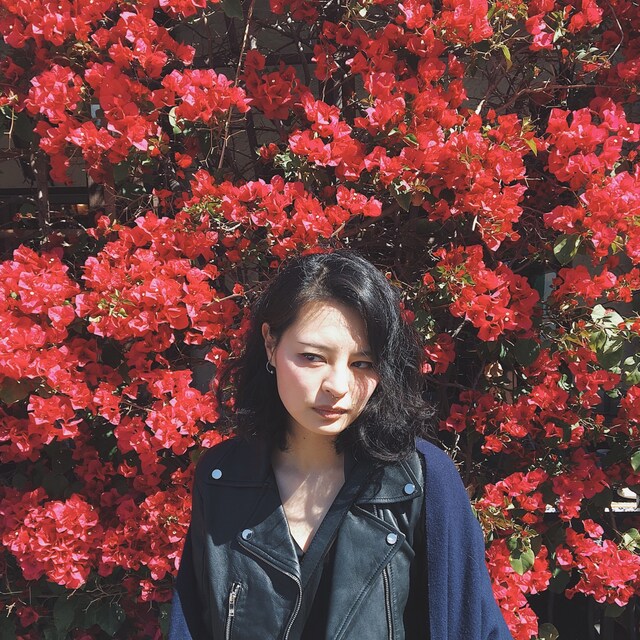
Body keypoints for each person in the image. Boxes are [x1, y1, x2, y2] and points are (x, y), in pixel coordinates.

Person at [169, 250, 513, 640]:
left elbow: (469, 624)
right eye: (313, 357)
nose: (338, 386)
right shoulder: (222, 478)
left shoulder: (421, 480)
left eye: (362, 363)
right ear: (270, 344)